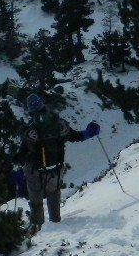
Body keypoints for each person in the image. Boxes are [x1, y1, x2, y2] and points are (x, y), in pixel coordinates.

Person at [14, 92, 98, 227]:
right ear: (43, 106)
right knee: (54, 193)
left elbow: (21, 155)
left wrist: (17, 170)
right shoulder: (58, 124)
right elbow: (76, 136)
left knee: (36, 200)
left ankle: (38, 228)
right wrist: (90, 132)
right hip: (56, 168)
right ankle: (55, 222)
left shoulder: (30, 130)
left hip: (35, 171)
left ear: (29, 110)